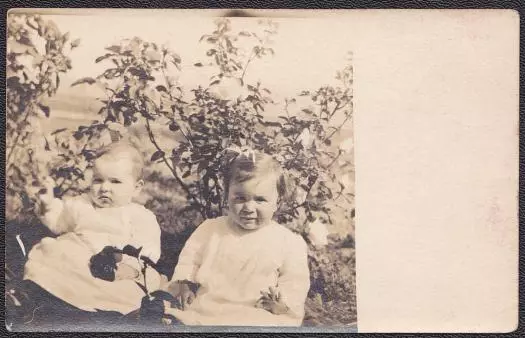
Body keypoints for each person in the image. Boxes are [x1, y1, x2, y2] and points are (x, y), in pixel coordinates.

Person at [164, 148, 310, 326]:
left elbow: (295, 281)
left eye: (260, 200)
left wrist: (283, 303)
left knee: (263, 324)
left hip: (254, 312)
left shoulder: (287, 242)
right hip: (208, 306)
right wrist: (185, 282)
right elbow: (190, 259)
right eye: (240, 198)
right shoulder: (211, 229)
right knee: (173, 316)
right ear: (227, 196)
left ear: (277, 202)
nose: (249, 207)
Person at [23, 141, 162, 318]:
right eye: (98, 180)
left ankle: (93, 308)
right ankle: (47, 294)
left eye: (115, 182)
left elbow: (147, 255)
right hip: (79, 259)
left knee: (142, 283)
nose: (104, 188)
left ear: (136, 188)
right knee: (52, 249)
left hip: (115, 269)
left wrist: (130, 269)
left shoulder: (140, 217)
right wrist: (48, 204)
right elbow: (59, 222)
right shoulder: (81, 205)